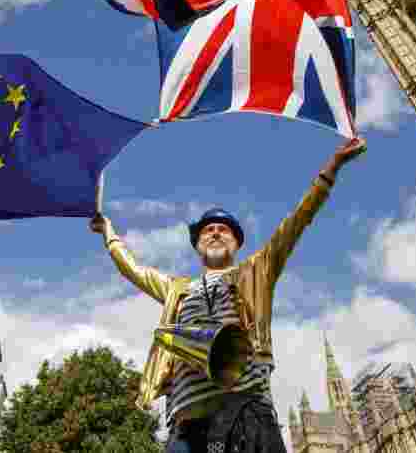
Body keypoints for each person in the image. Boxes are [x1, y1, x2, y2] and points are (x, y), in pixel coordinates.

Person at [89, 137, 367, 452]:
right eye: (208, 229)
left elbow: (296, 222)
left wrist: (330, 170)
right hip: (186, 424)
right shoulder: (176, 289)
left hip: (246, 412)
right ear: (197, 245)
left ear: (237, 244)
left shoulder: (256, 271)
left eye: (225, 229)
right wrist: (108, 232)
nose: (216, 232)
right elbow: (133, 269)